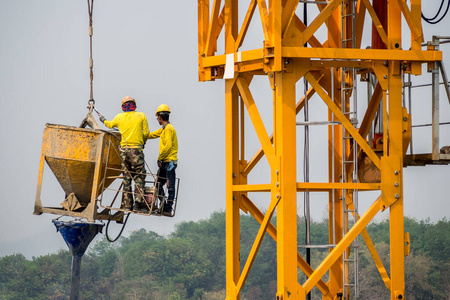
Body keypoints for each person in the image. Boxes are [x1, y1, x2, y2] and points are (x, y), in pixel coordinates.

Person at [98, 96, 150, 212]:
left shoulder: (119, 117)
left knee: (127, 178)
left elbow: (109, 125)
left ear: (123, 107)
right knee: (139, 177)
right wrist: (143, 142)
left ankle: (127, 205)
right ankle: (138, 204)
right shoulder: (141, 116)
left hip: (123, 152)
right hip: (136, 151)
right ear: (134, 105)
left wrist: (102, 119)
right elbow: (146, 133)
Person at [147, 104, 178, 215]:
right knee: (158, 185)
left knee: (170, 186)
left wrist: (160, 158)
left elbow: (168, 146)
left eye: (157, 117)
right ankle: (164, 206)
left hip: (169, 162)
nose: (157, 119)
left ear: (160, 117)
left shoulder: (169, 129)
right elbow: (152, 135)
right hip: (165, 162)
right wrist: (140, 135)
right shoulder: (164, 129)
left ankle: (168, 208)